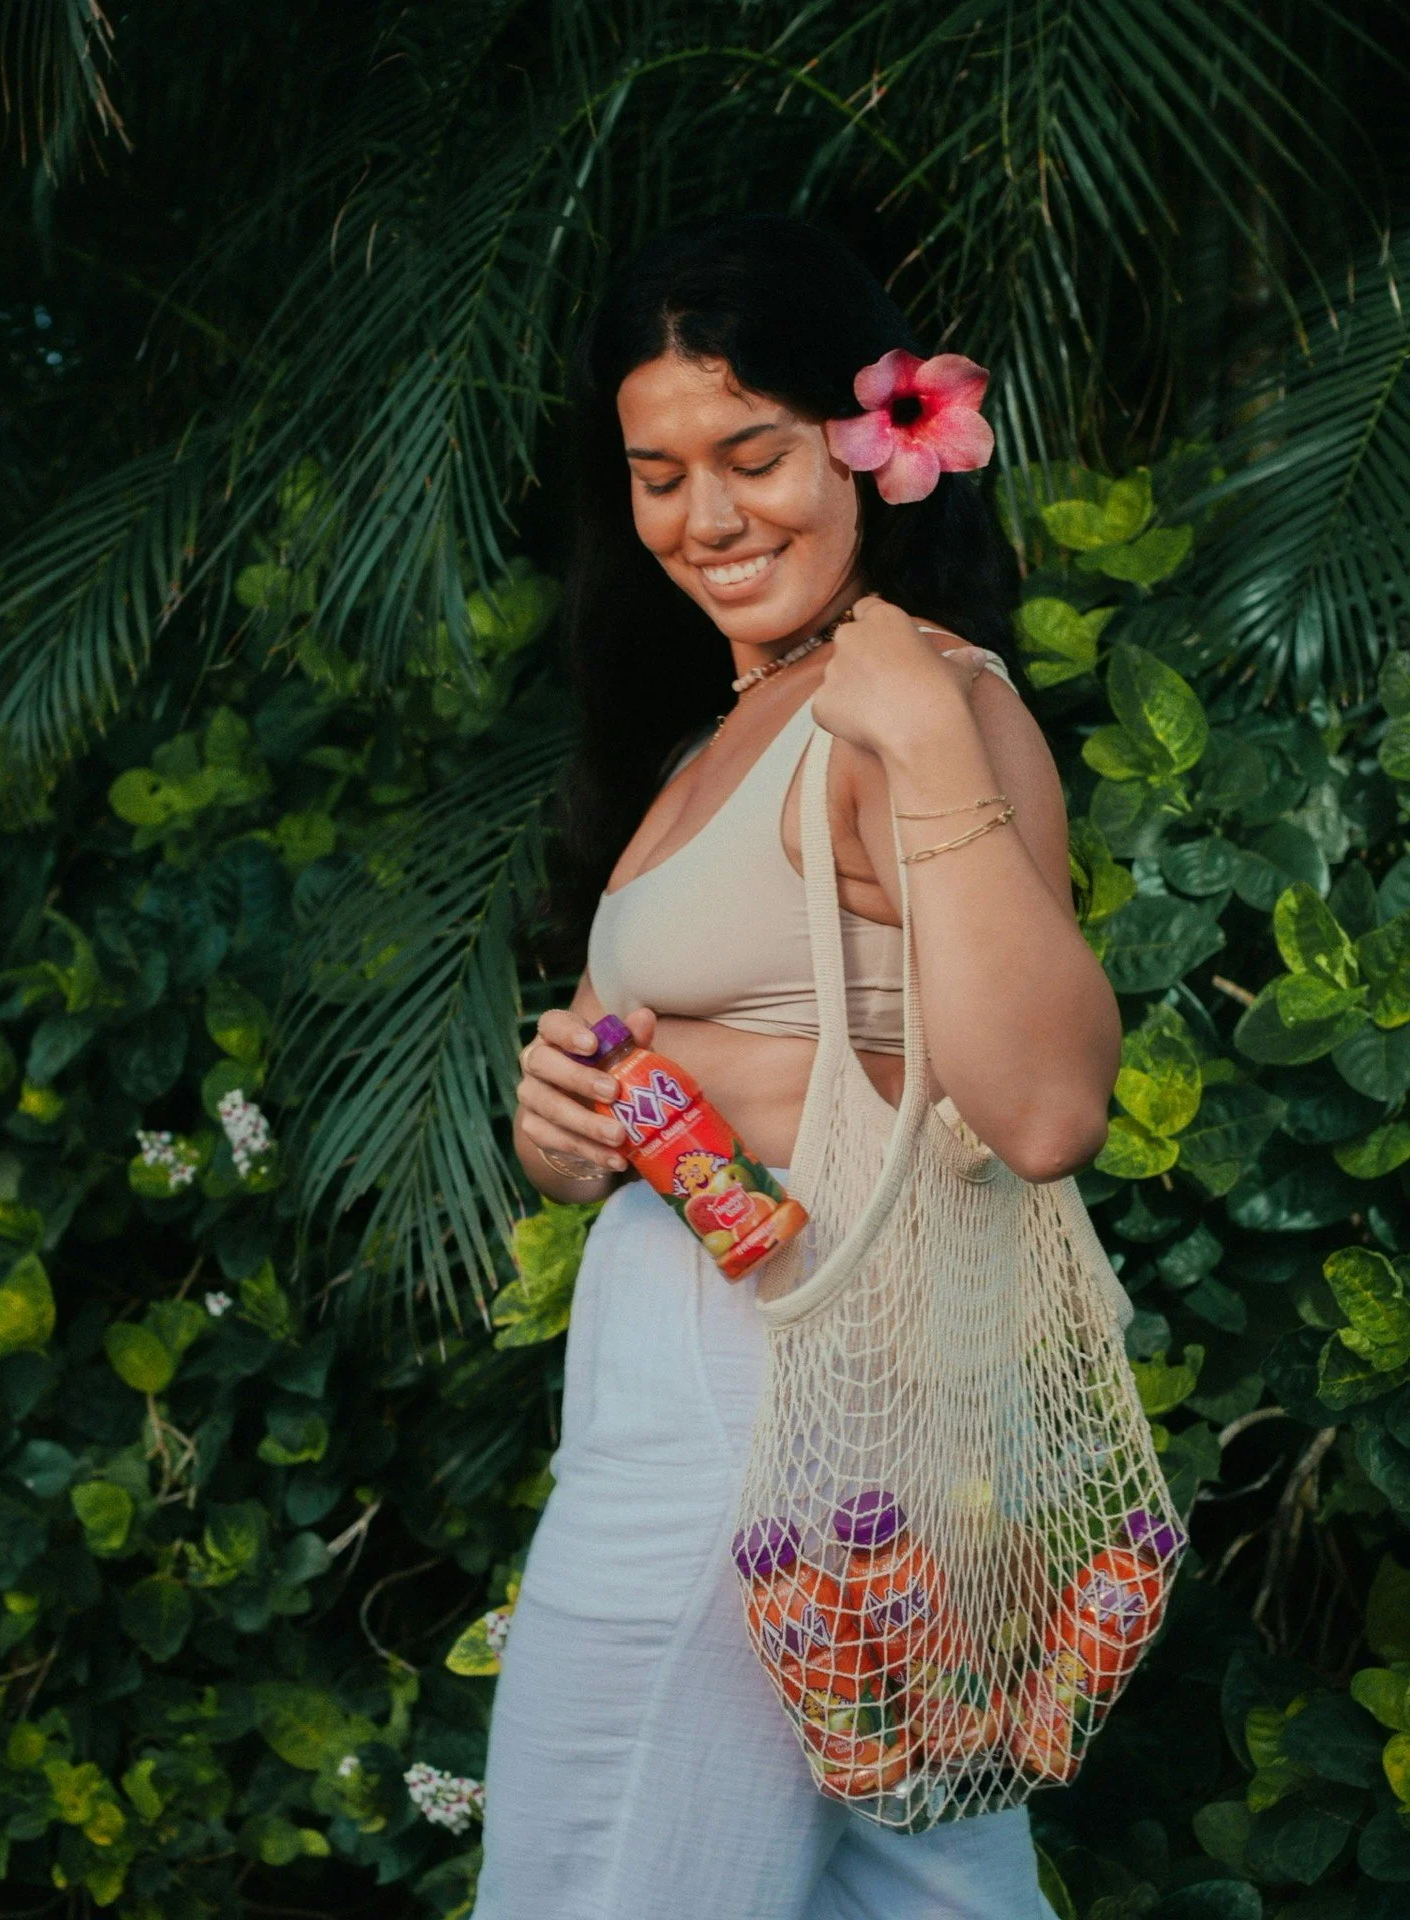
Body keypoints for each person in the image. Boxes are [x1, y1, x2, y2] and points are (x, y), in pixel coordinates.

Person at [472, 214, 1122, 1919]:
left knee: (593, 1881)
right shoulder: (728, 723)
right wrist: (571, 1121)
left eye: (752, 456)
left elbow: (1045, 1106)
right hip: (759, 1398)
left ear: (870, 441)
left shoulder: (916, 704)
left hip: (753, 1421)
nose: (706, 518)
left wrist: (922, 735)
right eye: (659, 473)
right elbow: (706, 1055)